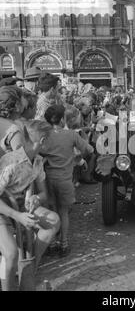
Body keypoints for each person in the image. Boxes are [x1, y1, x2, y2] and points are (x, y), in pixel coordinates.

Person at [0, 120, 60, 291]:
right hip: (3, 208)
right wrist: (18, 216)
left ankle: (28, 268)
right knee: (10, 254)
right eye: (50, 140)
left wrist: (36, 198)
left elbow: (44, 194)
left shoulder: (38, 161)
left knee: (53, 222)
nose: (51, 144)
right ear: (42, 141)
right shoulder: (10, 163)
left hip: (20, 205)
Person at [41, 105, 94, 257]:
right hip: (65, 179)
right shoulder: (71, 135)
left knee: (51, 211)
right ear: (63, 119)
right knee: (64, 212)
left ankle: (51, 244)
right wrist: (79, 158)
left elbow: (39, 152)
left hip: (48, 179)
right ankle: (64, 244)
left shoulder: (44, 135)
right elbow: (89, 149)